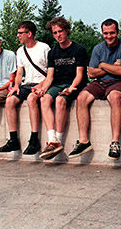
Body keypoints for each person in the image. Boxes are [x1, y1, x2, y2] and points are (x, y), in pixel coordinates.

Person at [69, 18, 121, 161]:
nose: (109, 36)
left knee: (115, 97)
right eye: (106, 33)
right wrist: (112, 66)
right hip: (100, 83)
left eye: (112, 33)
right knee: (81, 97)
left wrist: (102, 65)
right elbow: (91, 73)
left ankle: (115, 143)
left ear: (117, 32)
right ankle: (83, 141)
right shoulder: (98, 48)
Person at [34, 17, 88, 160]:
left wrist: (71, 88)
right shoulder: (52, 52)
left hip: (74, 84)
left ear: (67, 30)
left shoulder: (79, 49)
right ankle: (53, 140)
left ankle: (58, 139)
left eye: (60, 31)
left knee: (59, 101)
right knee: (44, 99)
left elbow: (80, 75)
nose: (58, 35)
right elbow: (50, 77)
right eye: (55, 33)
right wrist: (43, 89)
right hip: (58, 84)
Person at [0, 21, 50, 155]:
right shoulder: (20, 51)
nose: (18, 36)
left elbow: (51, 72)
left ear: (29, 33)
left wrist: (42, 85)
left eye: (20, 33)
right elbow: (19, 72)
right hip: (27, 84)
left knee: (32, 99)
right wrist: (16, 86)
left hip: (42, 82)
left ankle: (34, 139)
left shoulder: (44, 48)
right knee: (9, 101)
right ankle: (13, 139)